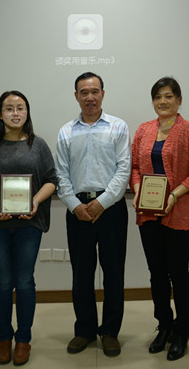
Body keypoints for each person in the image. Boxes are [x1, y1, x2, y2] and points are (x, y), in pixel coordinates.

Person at [0, 90, 58, 366]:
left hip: (28, 224)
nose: (15, 113)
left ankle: (23, 339)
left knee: (24, 281)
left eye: (20, 108)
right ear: (0, 114)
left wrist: (35, 201)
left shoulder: (38, 145)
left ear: (27, 113)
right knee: (1, 282)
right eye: (9, 108)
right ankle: (3, 339)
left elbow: (51, 180)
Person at [130, 77, 189, 360]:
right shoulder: (143, 130)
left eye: (168, 96)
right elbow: (134, 167)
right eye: (158, 97)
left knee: (179, 273)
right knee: (157, 273)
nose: (163, 101)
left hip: (180, 211)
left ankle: (181, 332)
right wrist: (137, 190)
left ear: (179, 100)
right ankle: (164, 325)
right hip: (148, 212)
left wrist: (173, 195)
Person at [56, 72, 130, 357]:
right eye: (84, 92)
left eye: (95, 91)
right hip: (77, 211)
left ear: (103, 94)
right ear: (76, 96)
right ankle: (85, 330)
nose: (90, 97)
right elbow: (61, 174)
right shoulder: (66, 131)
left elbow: (123, 169)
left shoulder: (118, 127)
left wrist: (103, 202)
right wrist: (75, 205)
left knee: (114, 273)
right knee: (82, 274)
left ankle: (110, 332)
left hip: (111, 210)